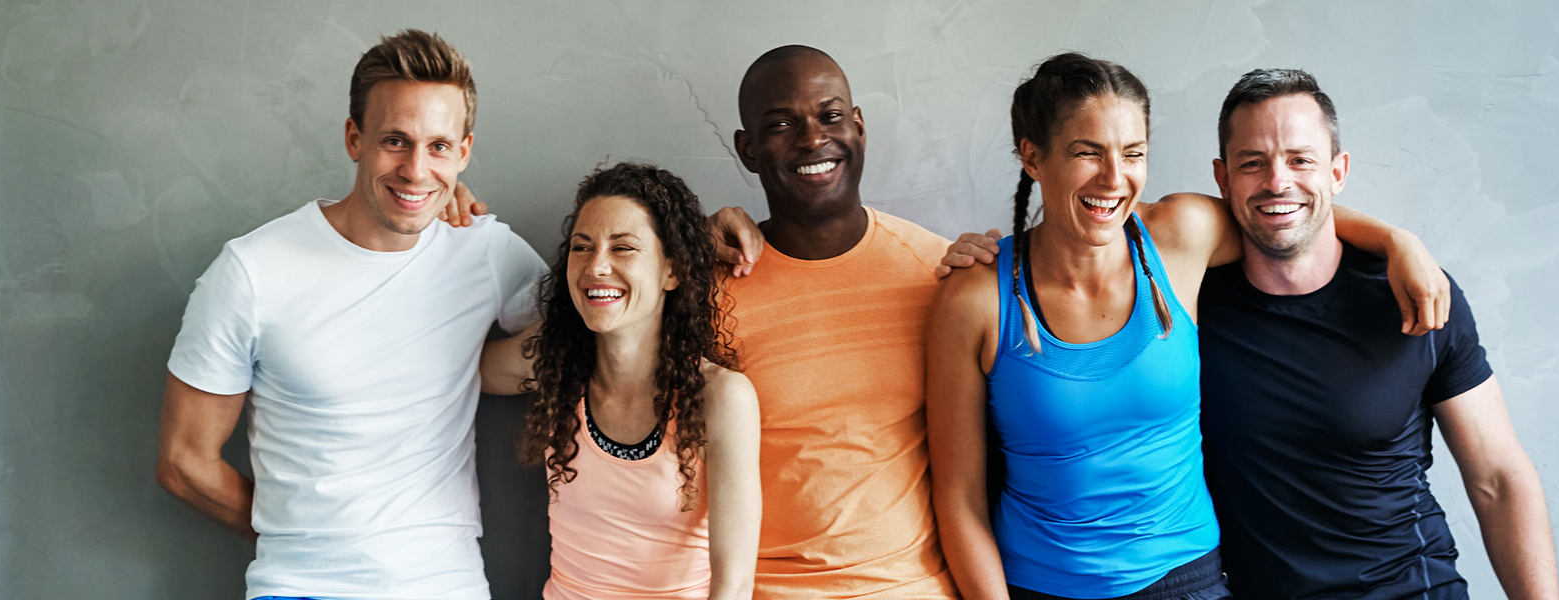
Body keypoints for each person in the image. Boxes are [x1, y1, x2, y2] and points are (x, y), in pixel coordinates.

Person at [924, 54, 1446, 600]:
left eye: (1132, 154)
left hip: (1189, 580)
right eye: (1087, 152)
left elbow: (1281, 212)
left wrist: (1396, 241)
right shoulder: (975, 298)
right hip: (1038, 586)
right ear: (1032, 156)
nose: (1113, 178)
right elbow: (959, 498)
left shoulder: (1180, 236)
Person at [154, 29, 544, 599]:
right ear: (353, 138)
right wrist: (298, 537)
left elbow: (608, 311)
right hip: (300, 587)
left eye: (438, 146)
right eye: (395, 141)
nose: (414, 169)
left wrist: (702, 243)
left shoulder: (483, 251)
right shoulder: (252, 270)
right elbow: (184, 462)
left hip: (445, 584)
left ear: (463, 152)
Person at [1195, 69, 1558, 600]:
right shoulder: (1187, 301)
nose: (1277, 181)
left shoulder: (1416, 291)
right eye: (1253, 163)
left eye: (1301, 160)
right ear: (1223, 179)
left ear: (1338, 172)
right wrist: (1394, 235)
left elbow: (1498, 477)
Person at [712, 44, 964, 598]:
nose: (812, 139)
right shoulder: (711, 288)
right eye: (781, 124)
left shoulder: (937, 273)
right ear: (747, 149)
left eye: (830, 116)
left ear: (859, 127)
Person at [480, 162, 762, 600]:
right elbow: (458, 370)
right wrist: (442, 222)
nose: (597, 266)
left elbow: (734, 585)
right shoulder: (553, 360)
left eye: (624, 248)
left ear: (673, 271)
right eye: (582, 247)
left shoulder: (720, 397)